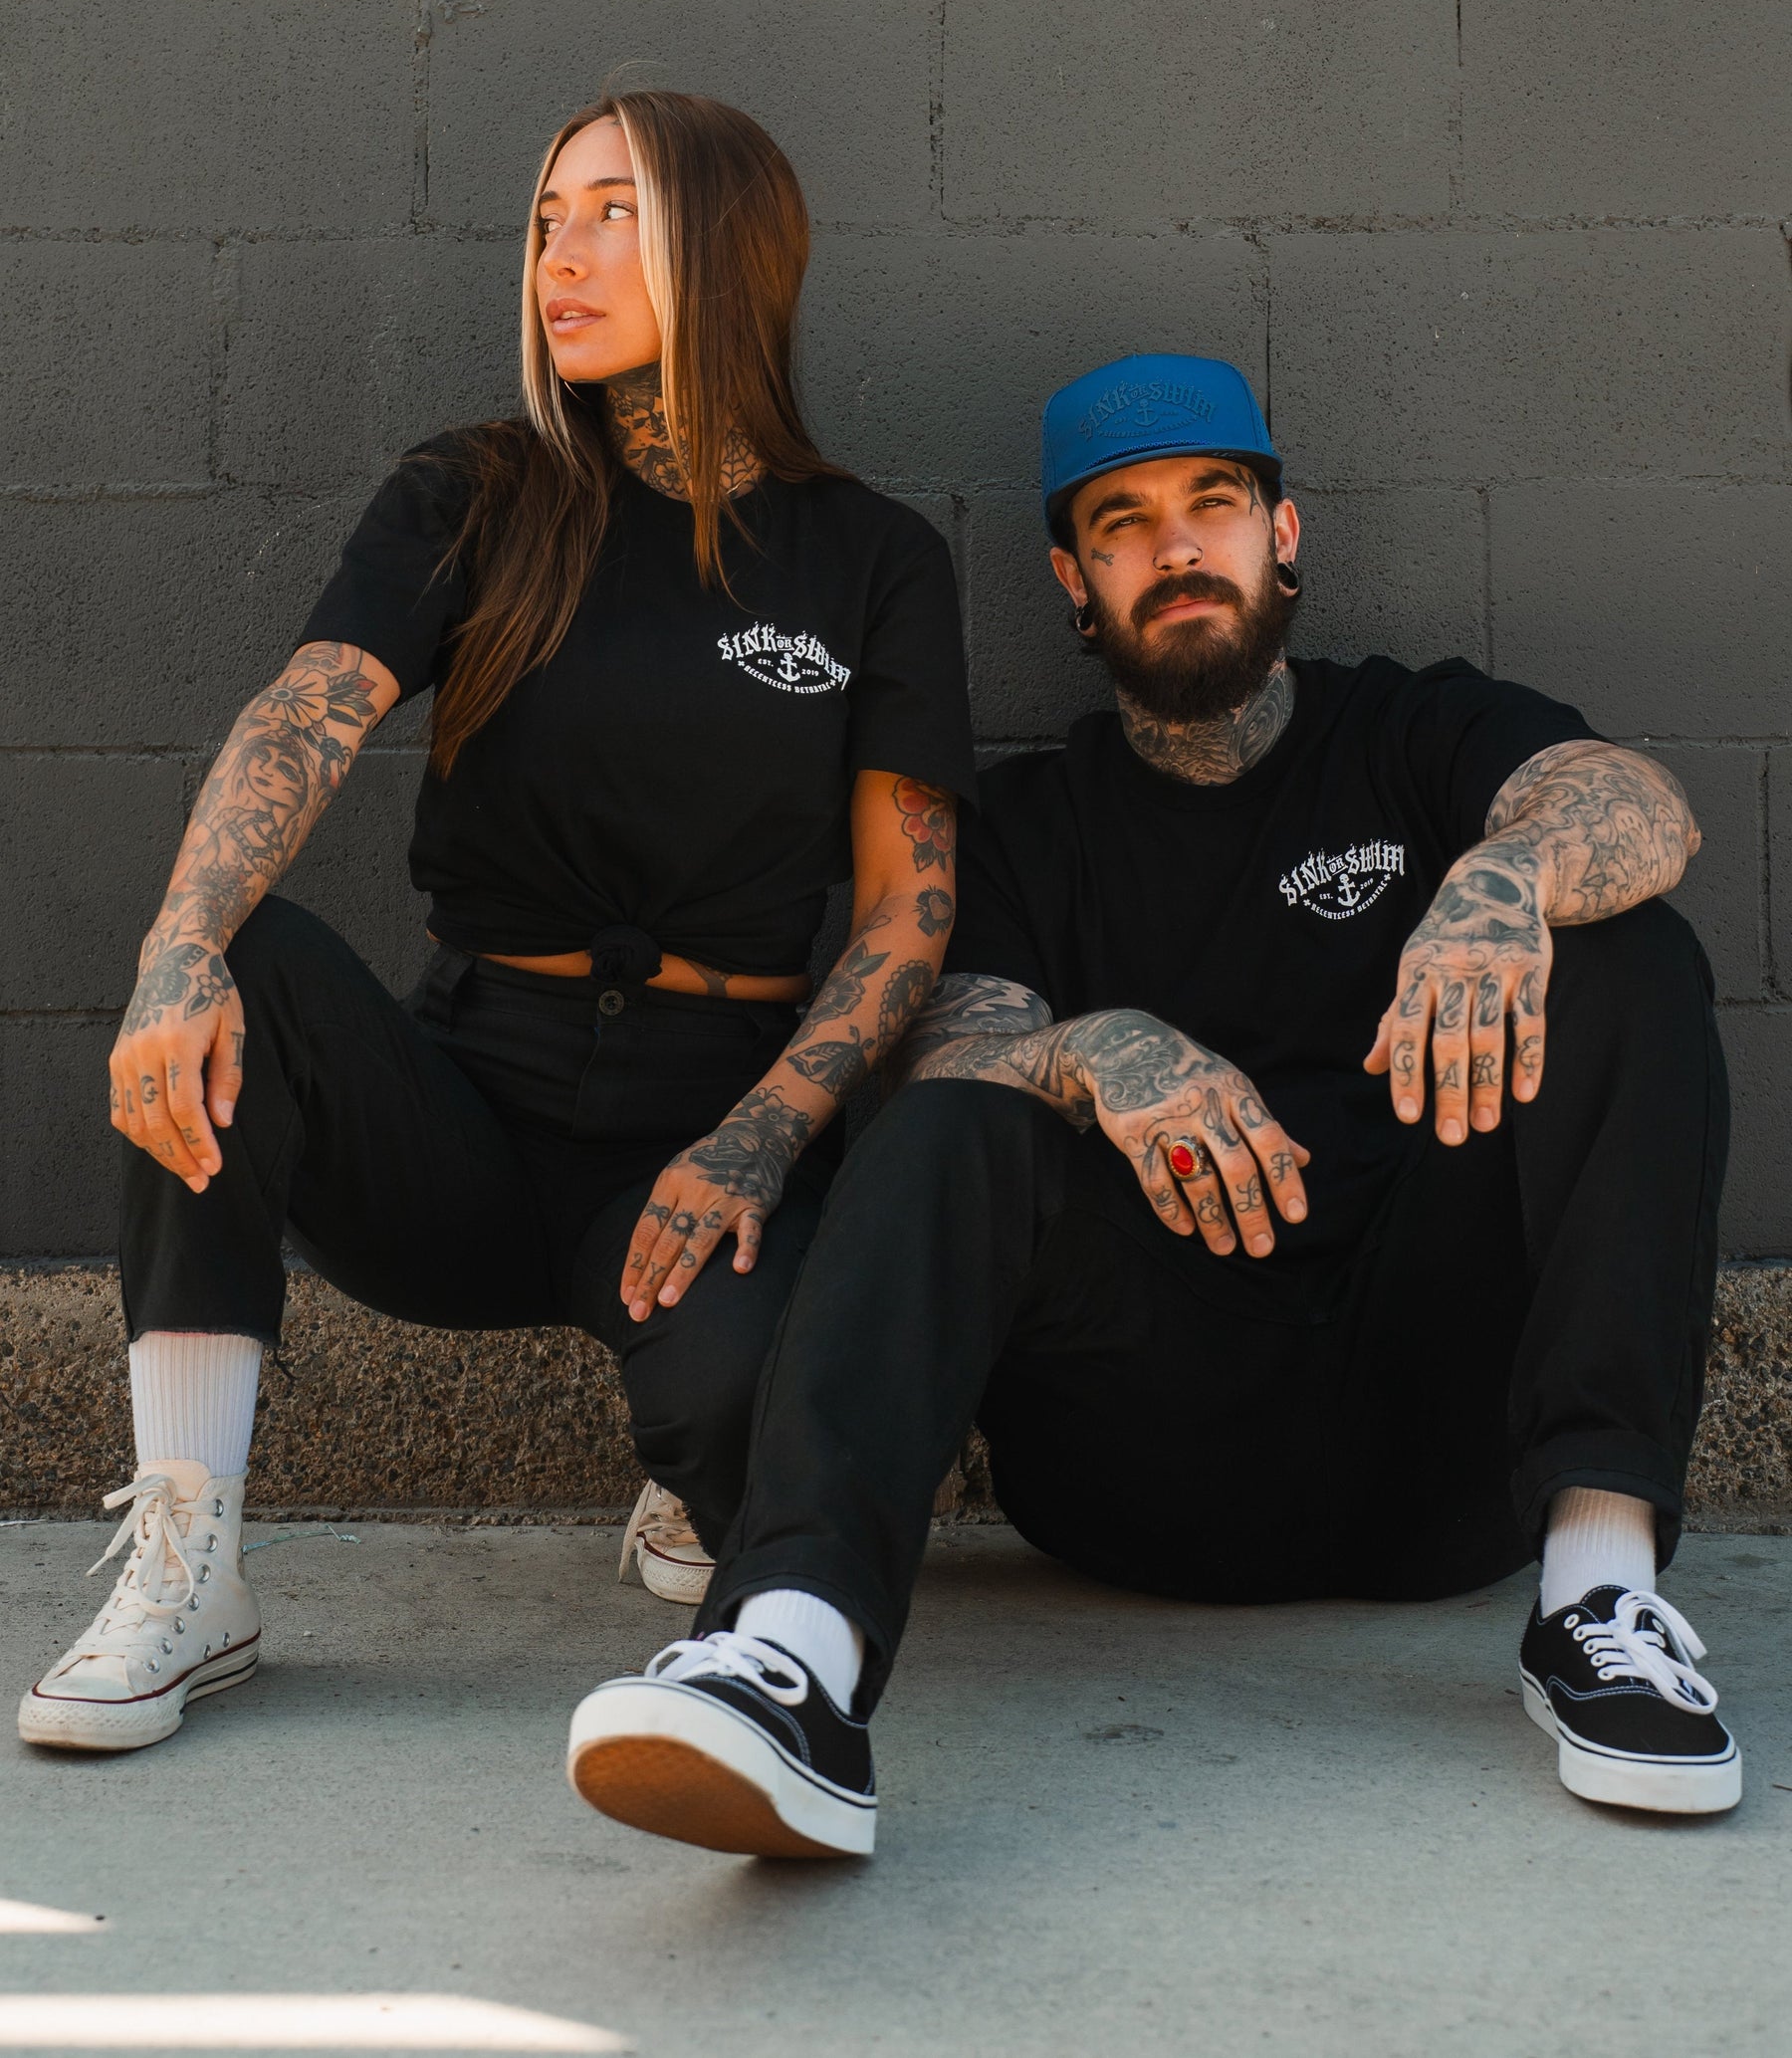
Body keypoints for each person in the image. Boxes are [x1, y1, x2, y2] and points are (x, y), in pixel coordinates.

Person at [565, 351, 1736, 1859]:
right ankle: (792, 1659)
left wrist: (1500, 880)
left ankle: (1602, 1595)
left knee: (1630, 951)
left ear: (1284, 534)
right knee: (949, 1110)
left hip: (1440, 1438)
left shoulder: (1412, 733)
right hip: (1143, 1460)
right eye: (1123, 522)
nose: (1177, 548)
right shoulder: (1029, 827)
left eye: (1213, 504)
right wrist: (1089, 1049)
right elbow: (940, 1056)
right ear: (1073, 578)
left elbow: (1642, 807)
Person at [21, 90, 975, 1755]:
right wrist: (179, 942)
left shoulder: (873, 558)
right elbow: (309, 710)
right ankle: (191, 1561)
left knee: (757, 1429)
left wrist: (763, 1136)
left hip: (700, 1147)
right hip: (466, 1111)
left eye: (614, 213)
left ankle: (692, 1486)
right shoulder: (480, 494)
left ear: (730, 245)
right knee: (236, 960)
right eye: (546, 219)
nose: (561, 255)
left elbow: (909, 913)